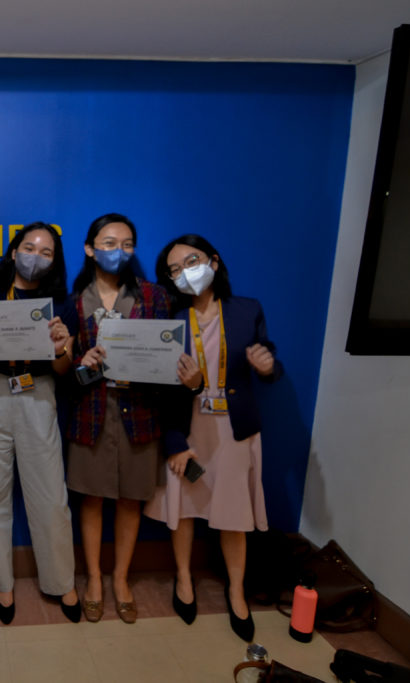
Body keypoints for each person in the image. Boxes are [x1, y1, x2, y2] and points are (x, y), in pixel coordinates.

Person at [145, 233, 282, 643]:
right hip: (188, 430)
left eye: (191, 262)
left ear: (214, 262)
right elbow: (159, 388)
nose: (184, 274)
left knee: (233, 512)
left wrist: (266, 366)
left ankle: (235, 591)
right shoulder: (167, 321)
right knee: (185, 504)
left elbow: (271, 365)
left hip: (234, 429)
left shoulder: (246, 310)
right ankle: (183, 579)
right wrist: (175, 437)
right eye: (173, 270)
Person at [0, 221, 82, 625]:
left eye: (46, 252)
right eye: (29, 247)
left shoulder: (61, 304)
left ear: (54, 261)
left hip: (38, 394)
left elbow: (64, 369)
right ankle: (1, 581)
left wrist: (64, 347)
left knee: (49, 495)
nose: (35, 256)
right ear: (14, 252)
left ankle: (61, 580)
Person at [66, 213, 170, 624]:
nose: (119, 251)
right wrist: (82, 362)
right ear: (90, 248)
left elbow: (164, 355)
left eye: (127, 244)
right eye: (109, 243)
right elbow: (65, 371)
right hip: (90, 410)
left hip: (139, 410)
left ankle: (120, 579)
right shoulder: (73, 301)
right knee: (90, 499)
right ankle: (93, 578)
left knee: (130, 500)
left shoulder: (154, 296)